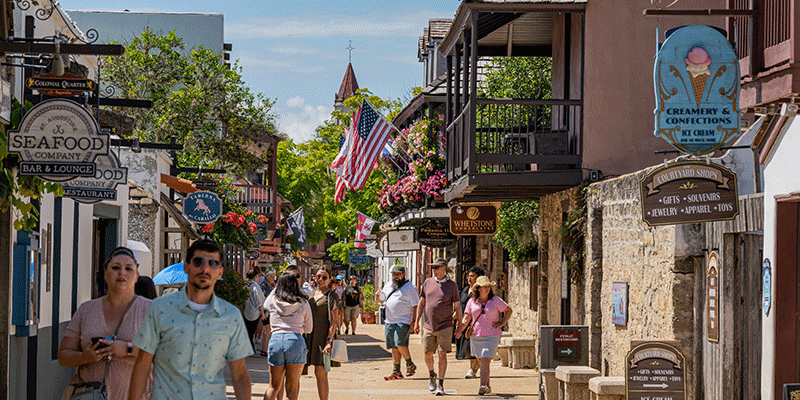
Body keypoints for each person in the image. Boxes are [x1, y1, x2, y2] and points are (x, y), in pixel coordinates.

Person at [128, 239, 253, 399]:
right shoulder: (160, 309)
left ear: (220, 272)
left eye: (213, 263)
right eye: (198, 262)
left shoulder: (231, 316)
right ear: (186, 267)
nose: (205, 268)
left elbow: (240, 374)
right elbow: (142, 365)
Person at [58, 247, 152, 400]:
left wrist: (128, 349)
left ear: (136, 276)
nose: (122, 273)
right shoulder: (86, 310)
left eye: (128, 268)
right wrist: (85, 356)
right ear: (105, 273)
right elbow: (63, 356)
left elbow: (166, 353)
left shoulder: (151, 310)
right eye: (115, 267)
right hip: (89, 395)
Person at [455, 276, 513, 396]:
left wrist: (502, 323)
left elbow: (508, 310)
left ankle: (481, 386)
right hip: (476, 336)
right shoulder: (472, 302)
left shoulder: (496, 300)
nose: (486, 289)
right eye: (484, 287)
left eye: (488, 287)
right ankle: (487, 385)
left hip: (492, 336)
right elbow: (467, 318)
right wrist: (460, 329)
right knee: (482, 362)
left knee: (485, 359)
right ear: (478, 289)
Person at [414, 258, 461, 395]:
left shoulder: (452, 285)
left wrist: (461, 323)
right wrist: (416, 321)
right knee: (428, 354)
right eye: (433, 267)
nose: (434, 270)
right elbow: (421, 302)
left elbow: (457, 306)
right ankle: (431, 375)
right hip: (428, 325)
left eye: (437, 267)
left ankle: (440, 383)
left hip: (445, 325)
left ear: (444, 269)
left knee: (442, 354)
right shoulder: (428, 282)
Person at [262, 273, 313, 400]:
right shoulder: (303, 303)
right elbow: (309, 328)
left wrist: (277, 286)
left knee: (273, 386)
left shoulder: (273, 301)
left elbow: (265, 304)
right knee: (292, 387)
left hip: (276, 340)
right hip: (295, 341)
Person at [306, 265, 341, 400]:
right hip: (309, 337)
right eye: (318, 276)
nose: (320, 279)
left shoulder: (331, 296)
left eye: (324, 277)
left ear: (330, 279)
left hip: (323, 337)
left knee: (320, 372)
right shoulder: (310, 294)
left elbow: (334, 320)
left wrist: (329, 341)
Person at [379, 264, 419, 381]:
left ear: (404, 275)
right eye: (394, 274)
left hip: (403, 320)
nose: (396, 276)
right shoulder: (389, 285)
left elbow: (416, 305)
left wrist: (414, 321)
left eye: (398, 274)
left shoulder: (410, 287)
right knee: (394, 347)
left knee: (400, 343)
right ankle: (396, 371)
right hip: (390, 320)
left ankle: (410, 363)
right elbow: (381, 300)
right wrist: (377, 297)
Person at [457, 266, 486, 379]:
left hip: (476, 322)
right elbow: (460, 306)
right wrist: (454, 318)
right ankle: (475, 367)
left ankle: (472, 370)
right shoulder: (465, 290)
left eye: (472, 276)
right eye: (468, 276)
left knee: (472, 346)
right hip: (465, 321)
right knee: (467, 347)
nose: (469, 278)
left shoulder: (480, 291)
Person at [245, 268, 267, 352]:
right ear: (256, 276)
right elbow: (258, 301)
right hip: (253, 312)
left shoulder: (247, 284)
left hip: (246, 310)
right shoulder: (255, 286)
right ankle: (250, 349)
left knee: (248, 331)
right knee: (251, 331)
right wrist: (262, 313)